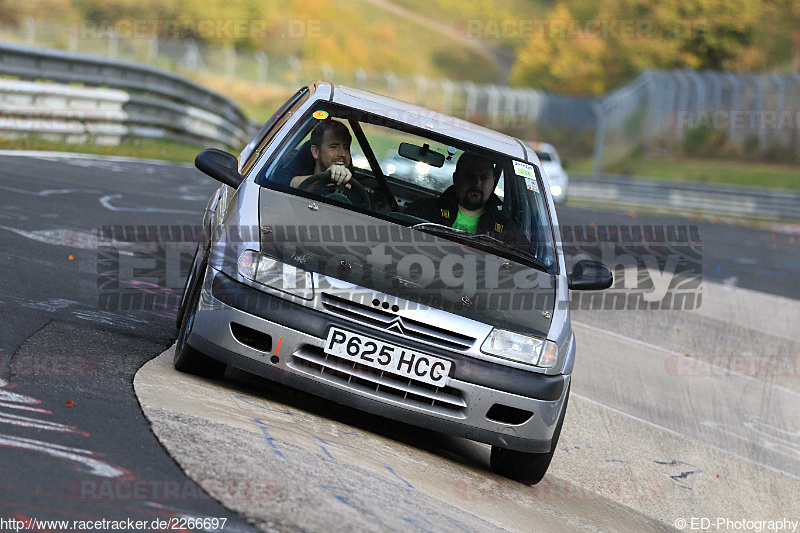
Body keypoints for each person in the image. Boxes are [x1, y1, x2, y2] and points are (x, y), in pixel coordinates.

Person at [405, 152, 508, 238]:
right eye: (470, 176)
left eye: (484, 178)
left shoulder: (506, 229)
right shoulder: (424, 209)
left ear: (493, 182)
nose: (477, 183)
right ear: (456, 178)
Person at [287, 118, 355, 190]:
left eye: (346, 147)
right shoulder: (297, 170)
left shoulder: (355, 189)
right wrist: (324, 177)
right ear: (315, 151)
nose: (343, 154)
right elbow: (281, 180)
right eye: (334, 147)